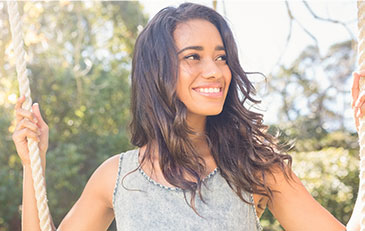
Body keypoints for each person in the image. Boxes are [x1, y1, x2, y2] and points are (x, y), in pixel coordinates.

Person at [11, 2, 362, 231]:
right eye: (193, 56)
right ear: (157, 71)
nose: (215, 71)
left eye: (221, 57)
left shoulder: (255, 167)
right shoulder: (115, 177)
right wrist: (32, 164)